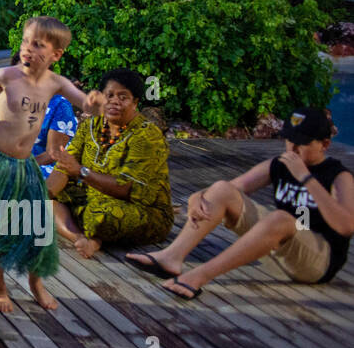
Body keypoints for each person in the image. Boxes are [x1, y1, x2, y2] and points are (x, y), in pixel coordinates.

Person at [0, 16, 102, 312]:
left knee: (38, 227)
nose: (27, 49)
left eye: (38, 44)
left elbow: (86, 104)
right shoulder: (7, 75)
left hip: (25, 167)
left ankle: (36, 283)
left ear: (56, 54)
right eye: (25, 41)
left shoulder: (55, 83)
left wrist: (95, 103)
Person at [125, 107, 352, 299]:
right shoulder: (280, 164)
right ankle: (171, 257)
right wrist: (197, 197)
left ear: (324, 144)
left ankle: (199, 276)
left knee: (281, 218)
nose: (291, 149)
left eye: (301, 143)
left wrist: (306, 178)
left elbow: (346, 226)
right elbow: (228, 189)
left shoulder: (338, 176)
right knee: (223, 189)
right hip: (279, 253)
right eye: (289, 139)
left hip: (317, 263)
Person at [48, 67, 172, 258]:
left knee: (100, 215)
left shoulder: (146, 135)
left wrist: (81, 171)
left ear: (135, 103)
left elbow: (126, 188)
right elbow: (64, 167)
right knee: (47, 197)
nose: (114, 101)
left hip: (140, 209)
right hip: (93, 197)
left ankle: (94, 237)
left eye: (123, 97)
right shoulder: (91, 126)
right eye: (109, 95)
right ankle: (79, 238)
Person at [0, 51, 78, 178]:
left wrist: (20, 165)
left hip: (40, 164)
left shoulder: (59, 105)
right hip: (6, 159)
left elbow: (52, 153)